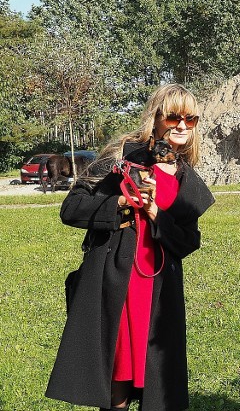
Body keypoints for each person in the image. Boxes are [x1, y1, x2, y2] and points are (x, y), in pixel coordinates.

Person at [45, 84, 215, 411]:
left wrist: (155, 214)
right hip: (117, 284)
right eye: (174, 116)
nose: (182, 125)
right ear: (157, 118)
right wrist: (123, 201)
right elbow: (72, 208)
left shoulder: (184, 175)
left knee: (157, 386)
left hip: (160, 291)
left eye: (190, 119)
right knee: (117, 382)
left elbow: (189, 241)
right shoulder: (120, 155)